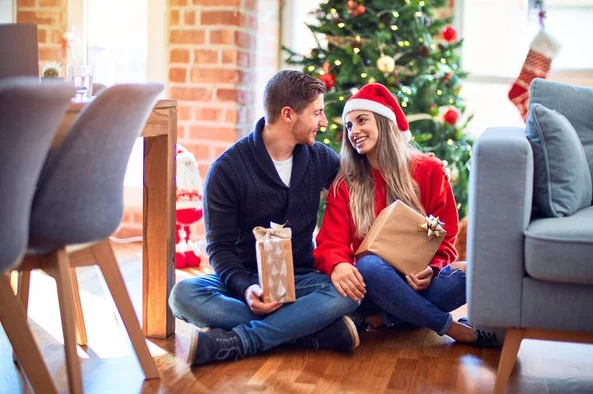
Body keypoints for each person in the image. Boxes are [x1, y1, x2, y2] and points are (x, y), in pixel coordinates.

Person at [169, 70, 364, 367]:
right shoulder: (227, 170)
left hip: (301, 276)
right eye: (317, 113)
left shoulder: (320, 159)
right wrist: (247, 289)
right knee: (183, 295)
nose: (323, 122)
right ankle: (310, 331)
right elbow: (219, 248)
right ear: (288, 114)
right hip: (246, 278)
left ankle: (243, 341)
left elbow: (362, 189)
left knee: (348, 294)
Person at [313, 83, 502, 347]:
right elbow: (330, 243)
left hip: (418, 281)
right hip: (371, 284)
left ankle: (377, 321)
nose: (354, 131)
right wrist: (339, 264)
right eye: (348, 126)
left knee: (468, 277)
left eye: (361, 120)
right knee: (369, 264)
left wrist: (432, 268)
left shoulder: (429, 171)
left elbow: (445, 238)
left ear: (384, 121)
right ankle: (453, 329)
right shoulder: (346, 183)